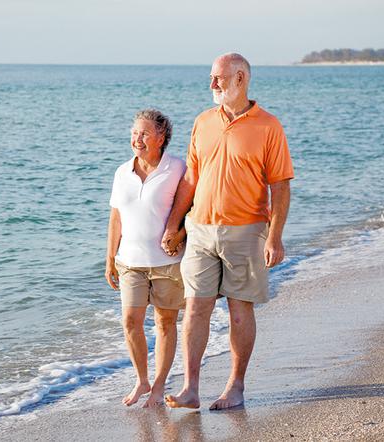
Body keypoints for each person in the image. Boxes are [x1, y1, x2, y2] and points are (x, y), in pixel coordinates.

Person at [161, 53, 294, 410]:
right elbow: (191, 179)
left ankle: (235, 386)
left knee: (239, 310)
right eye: (211, 78)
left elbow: (280, 186)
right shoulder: (203, 121)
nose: (212, 85)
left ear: (239, 78)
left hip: (247, 231)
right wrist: (174, 225)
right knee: (195, 308)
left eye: (218, 78)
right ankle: (190, 389)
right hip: (201, 230)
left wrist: (275, 235)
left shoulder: (268, 126)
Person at [105, 109, 187, 408]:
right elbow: (116, 217)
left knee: (165, 323)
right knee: (130, 321)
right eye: (134, 133)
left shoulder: (177, 168)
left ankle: (160, 384)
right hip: (130, 262)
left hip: (167, 262)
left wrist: (178, 234)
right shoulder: (122, 171)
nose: (136, 139)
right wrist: (110, 257)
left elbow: (191, 208)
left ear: (161, 138)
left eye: (144, 134)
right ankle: (142, 379)